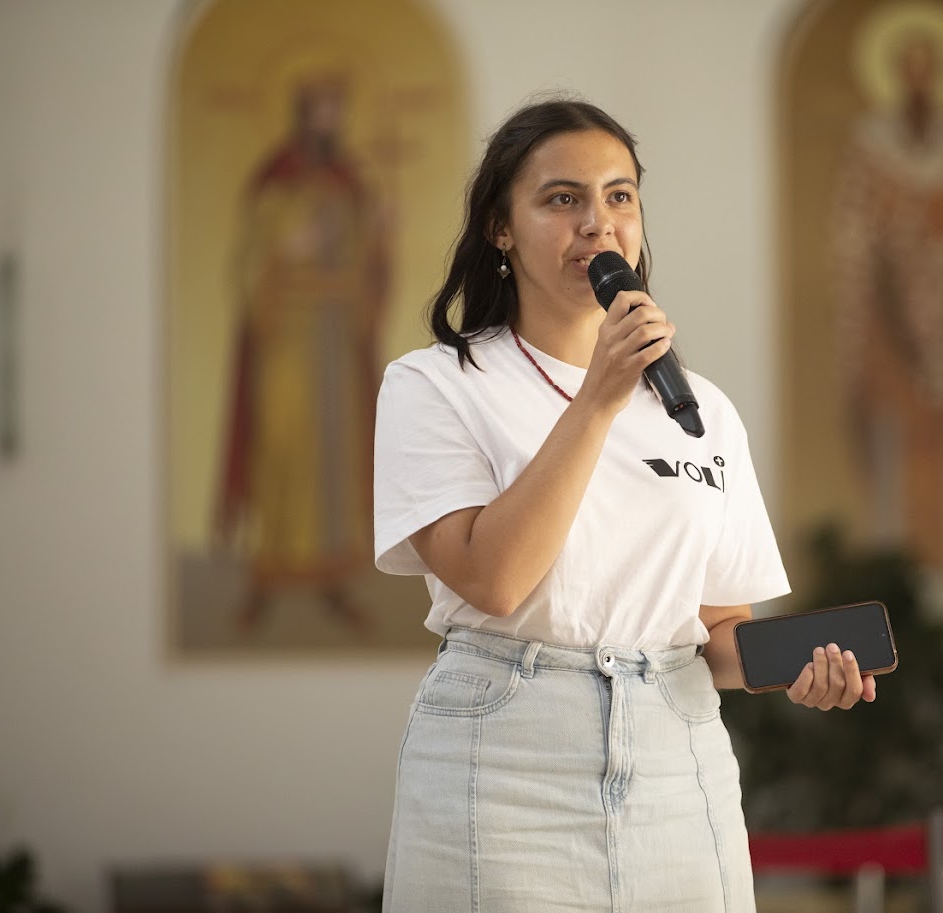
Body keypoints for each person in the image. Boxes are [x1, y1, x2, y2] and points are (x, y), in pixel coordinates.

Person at [373, 99, 876, 912]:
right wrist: (598, 398)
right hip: (505, 761)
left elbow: (717, 631)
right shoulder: (435, 384)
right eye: (561, 198)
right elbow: (493, 579)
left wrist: (800, 670)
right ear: (500, 228)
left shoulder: (700, 407)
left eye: (619, 196)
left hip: (680, 765)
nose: (596, 223)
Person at [832, 9, 943, 611]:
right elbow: (851, 235)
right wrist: (900, 235)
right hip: (889, 327)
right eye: (908, 69)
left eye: (929, 69)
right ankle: (896, 584)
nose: (918, 80)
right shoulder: (869, 147)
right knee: (896, 446)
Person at [217, 73, 390, 634]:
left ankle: (333, 578)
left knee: (335, 455)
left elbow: (368, 264)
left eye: (337, 110)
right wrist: (284, 250)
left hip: (335, 339)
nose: (329, 121)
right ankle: (266, 576)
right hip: (286, 340)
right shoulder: (274, 181)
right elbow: (246, 261)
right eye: (321, 110)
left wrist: (380, 234)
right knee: (282, 448)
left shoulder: (349, 184)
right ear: (302, 115)